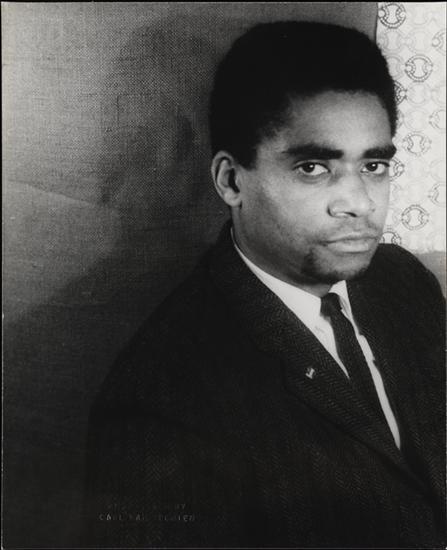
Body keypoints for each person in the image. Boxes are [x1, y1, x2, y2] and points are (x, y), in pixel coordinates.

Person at [82, 22, 445, 548]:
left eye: (374, 165)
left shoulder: (403, 282)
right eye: (313, 167)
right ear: (231, 181)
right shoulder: (159, 405)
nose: (360, 203)